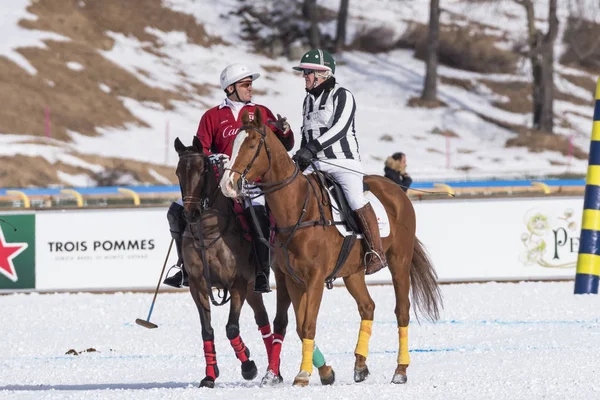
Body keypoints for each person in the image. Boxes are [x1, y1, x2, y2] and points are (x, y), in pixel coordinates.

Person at [163, 63, 294, 292]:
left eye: (251, 84)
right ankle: (182, 267)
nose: (250, 88)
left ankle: (262, 271)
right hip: (219, 184)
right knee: (175, 212)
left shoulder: (261, 113)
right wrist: (215, 158)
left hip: (252, 183)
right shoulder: (212, 116)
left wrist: (284, 131)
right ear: (230, 87)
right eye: (245, 84)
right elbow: (200, 151)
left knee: (260, 215)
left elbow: (284, 148)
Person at [291, 49, 387, 275]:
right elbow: (306, 132)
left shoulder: (342, 95)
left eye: (308, 72)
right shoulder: (307, 101)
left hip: (343, 161)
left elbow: (340, 128)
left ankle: (376, 251)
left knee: (355, 198)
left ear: (323, 74)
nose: (304, 76)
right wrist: (301, 155)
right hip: (315, 164)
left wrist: (313, 148)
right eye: (304, 72)